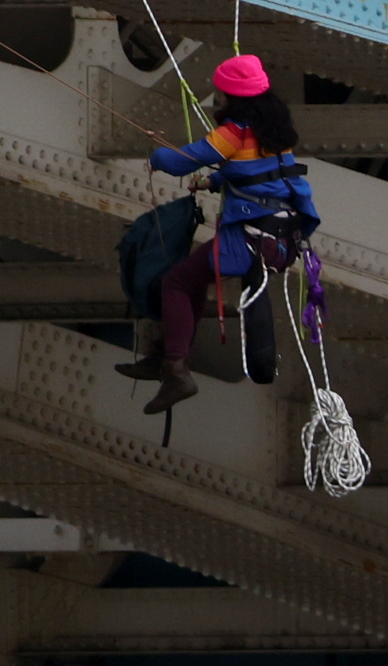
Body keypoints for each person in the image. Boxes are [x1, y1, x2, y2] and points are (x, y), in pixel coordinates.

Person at [124, 52, 321, 412]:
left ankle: (175, 369)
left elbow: (178, 160)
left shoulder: (233, 134)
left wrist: (155, 155)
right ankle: (168, 359)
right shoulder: (277, 133)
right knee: (193, 280)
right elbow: (260, 173)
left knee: (177, 282)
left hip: (246, 241)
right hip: (281, 239)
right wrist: (214, 180)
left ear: (233, 97)